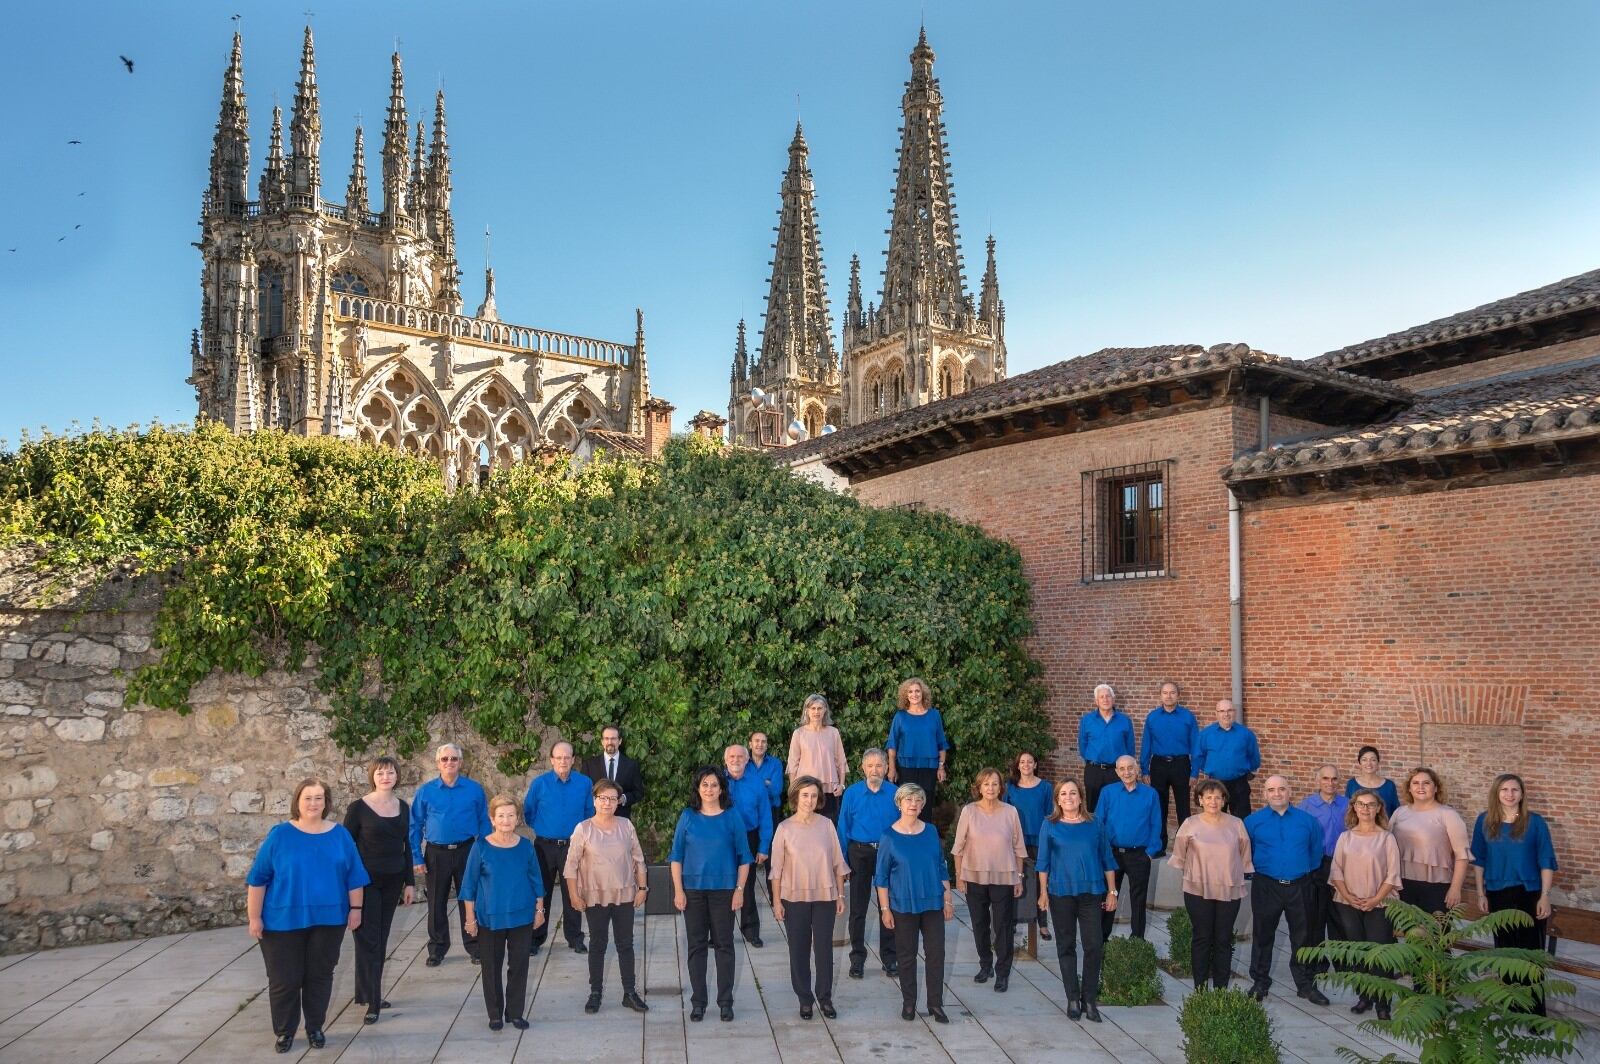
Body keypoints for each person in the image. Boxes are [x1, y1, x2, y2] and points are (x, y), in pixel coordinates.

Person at [247, 778, 370, 1054]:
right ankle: (285, 1032)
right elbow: (258, 879)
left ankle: (315, 1027)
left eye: (319, 798)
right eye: (308, 798)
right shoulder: (280, 835)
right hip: (280, 922)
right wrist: (254, 917)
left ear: (326, 803)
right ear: (297, 802)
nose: (313, 803)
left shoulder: (340, 835)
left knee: (320, 976)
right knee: (284, 979)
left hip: (329, 921)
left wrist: (356, 910)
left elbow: (354, 878)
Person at [1471, 773, 1559, 1016]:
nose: (1510, 794)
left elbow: (1546, 861)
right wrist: (1481, 893)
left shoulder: (1535, 823)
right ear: (1496, 793)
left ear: (1522, 794)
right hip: (1498, 893)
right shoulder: (1484, 821)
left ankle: (1534, 1014)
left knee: (1530, 955)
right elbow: (1479, 860)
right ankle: (1512, 1007)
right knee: (1505, 952)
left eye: (1514, 790)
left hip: (1529, 894)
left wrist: (1545, 895)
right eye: (1504, 790)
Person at [670, 766, 753, 1022]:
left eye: (714, 785)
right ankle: (698, 1002)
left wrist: (739, 890)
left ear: (721, 788)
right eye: (704, 785)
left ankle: (725, 1002)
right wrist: (678, 891)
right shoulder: (687, 816)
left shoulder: (732, 816)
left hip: (724, 892)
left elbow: (744, 858)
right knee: (696, 947)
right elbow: (676, 857)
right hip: (693, 892)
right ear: (698, 788)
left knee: (724, 946)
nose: (709, 789)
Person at [461, 796, 546, 1031]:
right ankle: (495, 1014)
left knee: (519, 966)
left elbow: (536, 880)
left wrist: (540, 909)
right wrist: (470, 919)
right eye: (501, 815)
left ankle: (515, 1013)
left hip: (522, 916)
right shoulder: (480, 847)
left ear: (518, 818)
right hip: (490, 917)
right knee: (491, 967)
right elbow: (468, 886)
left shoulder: (526, 846)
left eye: (511, 815)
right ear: (492, 819)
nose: (506, 820)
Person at [565, 778, 649, 1014]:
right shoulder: (583, 828)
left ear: (618, 802)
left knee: (626, 944)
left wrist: (642, 888)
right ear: (595, 800)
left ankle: (630, 993)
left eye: (612, 799)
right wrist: (573, 895)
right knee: (598, 944)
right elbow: (571, 866)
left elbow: (638, 859)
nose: (607, 803)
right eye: (603, 798)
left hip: (624, 893)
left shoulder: (626, 825)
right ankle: (595, 992)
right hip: (595, 895)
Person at [1243, 775, 1329, 1005]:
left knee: (1303, 936)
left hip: (1300, 885)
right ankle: (1260, 982)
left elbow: (1315, 854)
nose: (1277, 794)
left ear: (1289, 791)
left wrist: (1301, 872)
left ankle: (1305, 984)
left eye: (1281, 789)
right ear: (1264, 794)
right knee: (1263, 935)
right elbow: (1245, 851)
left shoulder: (1308, 821)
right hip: (1266, 885)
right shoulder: (1252, 822)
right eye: (1271, 790)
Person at [1036, 779, 1117, 1022]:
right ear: (1057, 800)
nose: (1068, 797)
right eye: (1063, 794)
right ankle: (1072, 998)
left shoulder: (1095, 824)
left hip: (1091, 893)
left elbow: (1107, 860)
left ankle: (1089, 1000)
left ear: (1081, 798)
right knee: (1066, 945)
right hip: (1061, 894)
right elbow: (1043, 863)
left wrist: (1112, 891)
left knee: (1094, 945)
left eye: (1073, 793)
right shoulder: (1049, 825)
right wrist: (1042, 893)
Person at [342, 756, 415, 1025]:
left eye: (391, 772)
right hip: (365, 883)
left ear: (397, 776)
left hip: (393, 880)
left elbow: (406, 845)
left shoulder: (403, 807)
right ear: (373, 776)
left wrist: (409, 882)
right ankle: (373, 1001)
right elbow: (346, 849)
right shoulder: (358, 808)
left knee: (379, 939)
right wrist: (349, 885)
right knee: (368, 940)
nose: (386, 777)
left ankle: (365, 992)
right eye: (381, 772)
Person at [874, 783, 954, 1023]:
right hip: (902, 905)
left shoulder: (930, 831)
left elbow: (941, 866)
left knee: (936, 955)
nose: (913, 804)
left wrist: (948, 899)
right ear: (899, 803)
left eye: (918, 800)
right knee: (907, 956)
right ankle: (909, 1003)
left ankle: (935, 1004)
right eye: (908, 800)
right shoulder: (889, 836)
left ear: (922, 805)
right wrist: (885, 909)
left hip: (932, 903)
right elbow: (881, 877)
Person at [770, 776, 849, 1019]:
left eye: (814, 795)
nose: (809, 800)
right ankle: (805, 999)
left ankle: (825, 998)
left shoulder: (826, 825)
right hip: (794, 899)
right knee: (799, 949)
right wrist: (776, 902)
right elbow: (776, 870)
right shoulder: (784, 829)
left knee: (824, 949)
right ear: (796, 798)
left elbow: (837, 863)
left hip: (825, 895)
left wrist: (840, 895)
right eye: (805, 795)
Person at [410, 743, 492, 967]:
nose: (449, 763)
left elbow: (484, 821)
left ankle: (475, 946)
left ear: (460, 762)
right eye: (444, 759)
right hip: (436, 854)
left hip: (468, 851)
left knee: (471, 899)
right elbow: (415, 825)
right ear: (438, 763)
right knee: (436, 903)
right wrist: (417, 857)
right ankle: (437, 948)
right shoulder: (426, 791)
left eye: (453, 759)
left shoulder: (474, 789)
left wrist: (486, 851)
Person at [1168, 778, 1253, 990]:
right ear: (1200, 800)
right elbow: (1179, 855)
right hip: (1198, 890)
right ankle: (1200, 987)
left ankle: (1221, 988)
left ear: (1224, 800)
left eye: (1218, 797)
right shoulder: (1190, 824)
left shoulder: (1236, 824)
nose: (1213, 801)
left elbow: (1244, 855)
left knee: (1224, 939)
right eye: (1208, 797)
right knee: (1202, 937)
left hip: (1229, 889)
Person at [952, 767, 1027, 992]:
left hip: (1004, 877)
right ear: (979, 787)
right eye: (986, 784)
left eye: (994, 784)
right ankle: (985, 965)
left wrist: (1019, 878)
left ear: (1000, 787)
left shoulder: (1010, 812)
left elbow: (1018, 848)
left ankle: (1002, 972)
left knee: (1002, 926)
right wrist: (959, 876)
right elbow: (958, 848)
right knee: (979, 924)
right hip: (973, 876)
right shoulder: (969, 811)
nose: (990, 788)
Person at [1330, 788, 1401, 1020]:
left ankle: (1383, 1002)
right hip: (1348, 902)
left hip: (1379, 904)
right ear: (1354, 808)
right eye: (1361, 804)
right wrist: (1349, 897)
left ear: (1378, 808)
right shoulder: (1345, 837)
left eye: (1371, 804)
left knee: (1380, 953)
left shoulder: (1386, 838)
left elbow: (1392, 875)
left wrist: (1375, 900)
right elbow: (1336, 871)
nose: (1366, 809)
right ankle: (1364, 997)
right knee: (1358, 952)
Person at [522, 740, 595, 955]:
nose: (563, 761)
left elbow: (589, 813)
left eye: (567, 757)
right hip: (544, 847)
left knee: (572, 892)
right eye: (559, 757)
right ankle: (535, 938)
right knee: (540, 891)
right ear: (552, 760)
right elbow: (529, 812)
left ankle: (574, 937)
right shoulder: (539, 784)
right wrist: (544, 828)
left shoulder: (584, 783)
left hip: (573, 847)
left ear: (573, 760)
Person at [837, 747, 899, 978]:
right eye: (870, 765)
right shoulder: (852, 793)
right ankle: (857, 958)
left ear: (886, 768)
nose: (874, 769)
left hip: (886, 854)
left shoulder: (895, 793)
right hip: (859, 853)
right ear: (863, 768)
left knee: (888, 906)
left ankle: (890, 958)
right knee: (858, 908)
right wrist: (842, 861)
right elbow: (842, 827)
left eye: (879, 765)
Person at [1096, 755, 1162, 941]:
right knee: (1108, 896)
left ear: (1138, 769)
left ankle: (1137, 940)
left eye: (1130, 768)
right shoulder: (1108, 792)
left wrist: (1149, 853)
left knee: (1138, 900)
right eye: (1122, 769)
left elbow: (1156, 825)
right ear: (1117, 771)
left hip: (1139, 855)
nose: (1127, 772)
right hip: (1112, 855)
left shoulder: (1151, 794)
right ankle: (1102, 938)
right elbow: (1099, 823)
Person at [1389, 767, 1469, 915]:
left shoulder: (1448, 815)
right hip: (1403, 884)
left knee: (1436, 936)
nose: (1420, 787)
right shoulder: (1399, 813)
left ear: (1436, 787)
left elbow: (1462, 856)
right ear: (1409, 788)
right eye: (1415, 783)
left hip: (1438, 886)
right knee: (1413, 935)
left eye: (1426, 783)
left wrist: (1455, 888)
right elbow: (1386, 848)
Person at [1297, 764, 1350, 968]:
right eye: (1326, 778)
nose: (1330, 783)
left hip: (1341, 865)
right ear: (1318, 781)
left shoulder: (1348, 805)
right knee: (1316, 915)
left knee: (1339, 915)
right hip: (1316, 865)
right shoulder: (1306, 806)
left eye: (1334, 779)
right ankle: (1318, 963)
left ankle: (1342, 963)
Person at [723, 744, 774, 946]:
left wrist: (763, 846)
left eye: (740, 757)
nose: (736, 760)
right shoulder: (717, 782)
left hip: (749, 837)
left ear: (747, 760)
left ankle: (751, 930)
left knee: (748, 885)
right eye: (732, 757)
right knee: (723, 886)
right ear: (726, 760)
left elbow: (765, 816)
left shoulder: (757, 783)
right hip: (722, 838)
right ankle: (720, 932)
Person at [1140, 680, 1199, 850]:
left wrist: (1194, 771)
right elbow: (1146, 744)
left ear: (1178, 696)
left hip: (1181, 764)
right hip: (1158, 765)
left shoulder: (1188, 717)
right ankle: (1159, 845)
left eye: (1172, 692)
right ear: (1160, 696)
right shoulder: (1152, 717)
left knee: (1183, 807)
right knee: (1159, 807)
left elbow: (1195, 744)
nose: (1169, 696)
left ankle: (1184, 847)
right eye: (1165, 693)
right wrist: (1145, 769)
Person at [1006, 750, 1054, 940]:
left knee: (1040, 882)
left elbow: (1050, 814)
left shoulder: (1046, 787)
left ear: (1035, 765)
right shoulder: (1010, 787)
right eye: (1022, 762)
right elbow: (1005, 814)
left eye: (1030, 762)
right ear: (1018, 765)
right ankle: (1012, 921)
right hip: (1016, 841)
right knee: (1015, 881)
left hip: (1039, 840)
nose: (1026, 765)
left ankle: (1042, 923)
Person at [885, 677, 949, 820]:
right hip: (906, 767)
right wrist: (892, 768)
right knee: (907, 803)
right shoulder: (900, 716)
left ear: (923, 693)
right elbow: (892, 744)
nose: (914, 694)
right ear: (906, 695)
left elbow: (941, 743)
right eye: (910, 691)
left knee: (925, 804)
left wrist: (941, 767)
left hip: (929, 767)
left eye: (917, 691)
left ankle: (923, 837)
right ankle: (906, 837)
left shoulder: (934, 715)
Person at [788, 694, 849, 821]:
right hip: (805, 789)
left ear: (825, 710)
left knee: (828, 825)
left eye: (820, 708)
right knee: (805, 825)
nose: (816, 712)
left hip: (829, 790)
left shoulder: (833, 732)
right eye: (813, 708)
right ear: (807, 711)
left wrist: (841, 785)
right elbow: (793, 764)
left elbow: (841, 760)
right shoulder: (799, 734)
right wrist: (794, 790)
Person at [1194, 699, 1260, 816]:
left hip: (1239, 784)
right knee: (1215, 818)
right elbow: (1199, 756)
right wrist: (1211, 768)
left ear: (1234, 712)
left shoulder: (1246, 734)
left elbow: (1254, 757)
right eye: (1222, 711)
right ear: (1216, 713)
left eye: (1229, 710)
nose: (1226, 714)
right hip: (1215, 783)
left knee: (1242, 819)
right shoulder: (1206, 734)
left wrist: (1245, 769)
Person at [1079, 683, 1135, 813]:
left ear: (1113, 699)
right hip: (1094, 771)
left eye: (1108, 696)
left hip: (1117, 771)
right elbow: (1083, 745)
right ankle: (1095, 833)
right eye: (1102, 697)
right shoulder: (1087, 720)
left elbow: (1130, 747)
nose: (1105, 699)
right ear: (1096, 701)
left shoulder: (1125, 720)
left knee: (1118, 807)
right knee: (1093, 808)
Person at [580, 726, 644, 819]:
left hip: (621, 819)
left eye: (613, 739)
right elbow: (583, 792)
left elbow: (639, 792)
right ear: (602, 741)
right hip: (596, 820)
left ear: (620, 741)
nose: (610, 742)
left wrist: (624, 798)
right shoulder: (589, 765)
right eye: (606, 738)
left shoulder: (631, 765)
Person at [1346, 746, 1401, 817]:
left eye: (1373, 760)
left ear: (1378, 762)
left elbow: (1396, 812)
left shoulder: (1389, 785)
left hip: (1384, 827)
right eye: (1364, 760)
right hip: (1358, 827)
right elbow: (1349, 810)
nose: (1369, 763)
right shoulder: (1352, 784)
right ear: (1359, 763)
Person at [750, 731, 785, 823]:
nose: (760, 744)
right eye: (756, 741)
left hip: (771, 809)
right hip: (750, 809)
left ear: (766, 745)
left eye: (763, 741)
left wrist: (751, 783)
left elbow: (776, 791)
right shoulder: (744, 764)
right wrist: (765, 782)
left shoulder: (775, 764)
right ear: (750, 744)